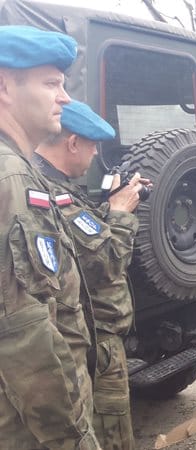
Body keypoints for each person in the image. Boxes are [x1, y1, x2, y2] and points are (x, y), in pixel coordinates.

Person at [0, 25, 100, 448]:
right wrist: (73, 437)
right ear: (5, 87)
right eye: (51, 83)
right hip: (34, 428)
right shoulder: (14, 178)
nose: (65, 97)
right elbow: (26, 334)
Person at [35, 100, 148, 450]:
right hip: (94, 346)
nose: (95, 153)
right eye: (92, 145)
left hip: (93, 340)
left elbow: (80, 244)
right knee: (111, 435)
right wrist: (119, 213)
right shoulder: (52, 195)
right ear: (72, 143)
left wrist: (110, 203)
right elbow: (105, 262)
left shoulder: (58, 188)